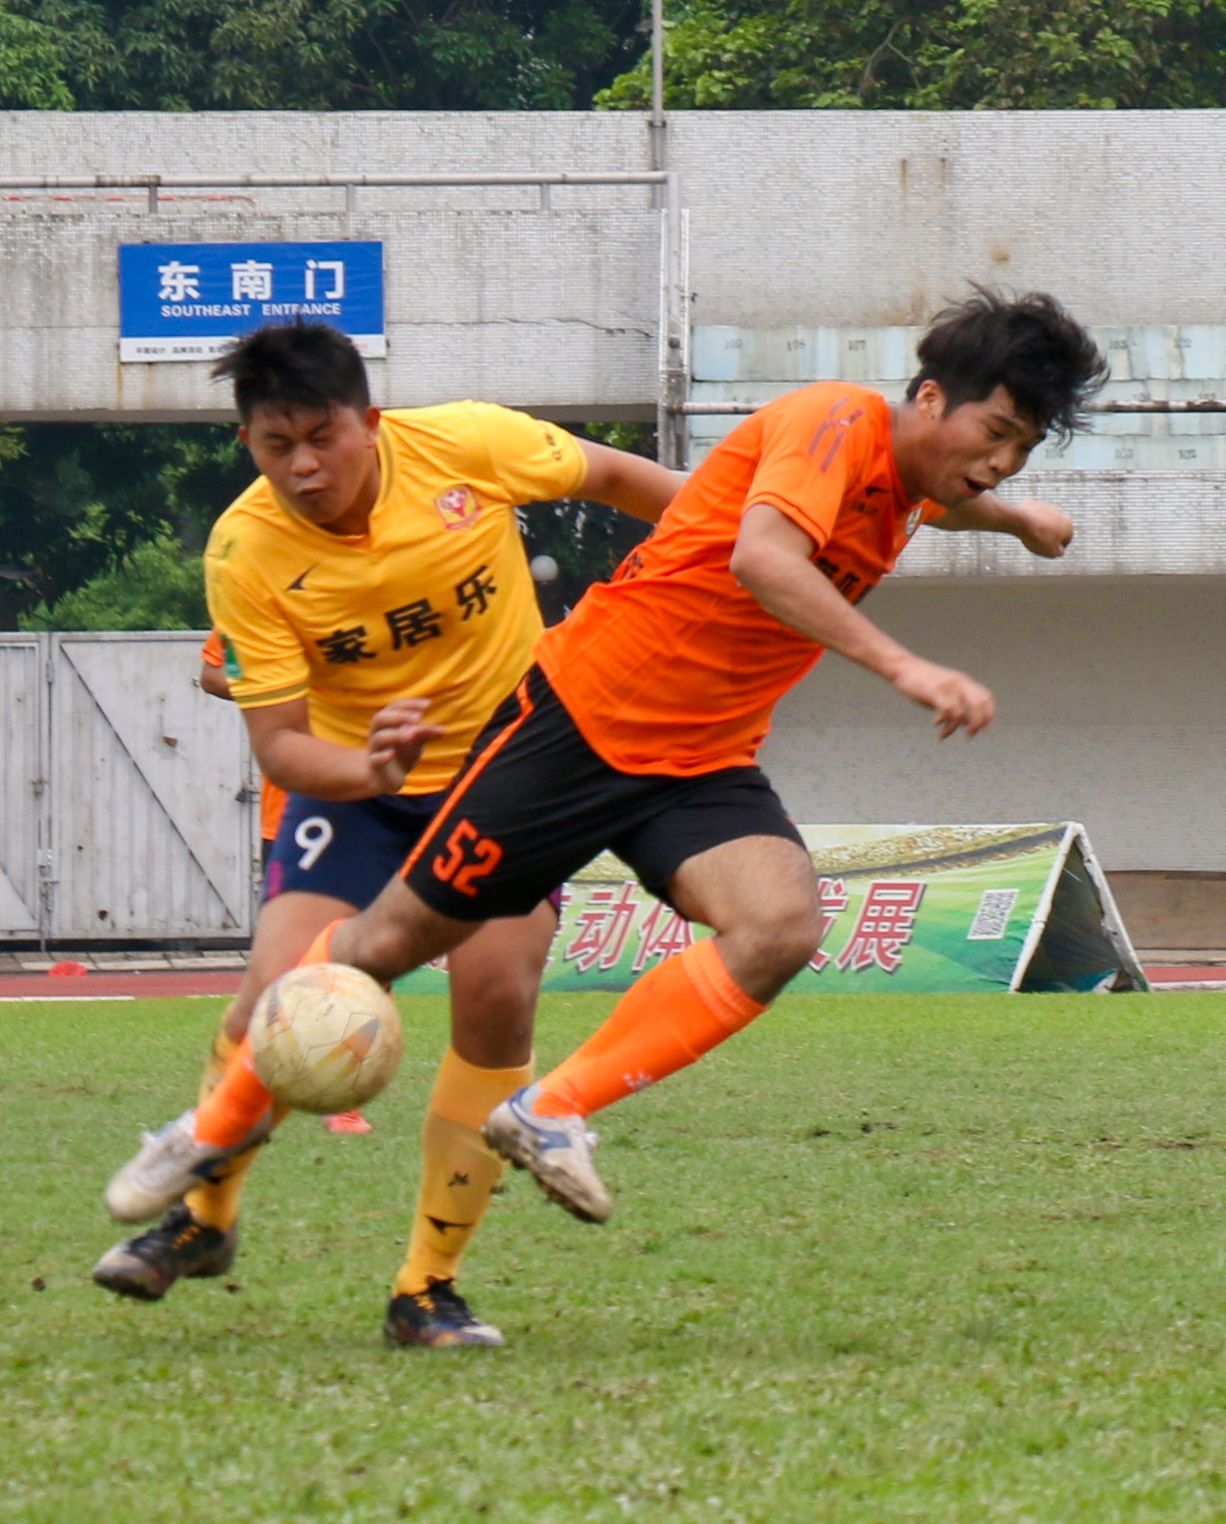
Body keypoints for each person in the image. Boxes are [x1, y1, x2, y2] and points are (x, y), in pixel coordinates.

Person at [120, 288, 1104, 1234]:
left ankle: (551, 1112)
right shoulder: (832, 421)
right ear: (931, 398)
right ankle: (204, 1133)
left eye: (1022, 448)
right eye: (996, 434)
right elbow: (764, 557)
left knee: (780, 925)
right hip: (581, 723)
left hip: (701, 757)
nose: (1003, 462)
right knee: (379, 949)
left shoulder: (902, 479)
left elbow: (936, 500)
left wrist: (1017, 519)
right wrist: (907, 668)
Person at [97, 323, 682, 1347]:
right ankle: (204, 1219)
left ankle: (426, 1289)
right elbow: (279, 744)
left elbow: (630, 482)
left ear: (371, 420)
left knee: (497, 1003)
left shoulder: (468, 445)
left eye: (323, 436)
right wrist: (366, 766)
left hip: (513, 776)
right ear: (248, 445)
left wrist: (742, 547)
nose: (304, 466)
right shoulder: (246, 549)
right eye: (277, 446)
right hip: (356, 789)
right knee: (278, 987)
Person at [199, 630, 374, 1135]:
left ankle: (344, 1097)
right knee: (282, 968)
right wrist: (280, 689)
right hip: (292, 811)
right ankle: (240, 1087)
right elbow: (211, 673)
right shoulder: (263, 593)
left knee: (363, 957)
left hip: (369, 804)